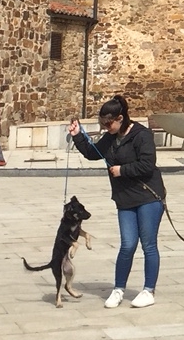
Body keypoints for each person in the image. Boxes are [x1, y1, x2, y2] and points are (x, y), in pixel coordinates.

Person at [69, 95, 164, 309]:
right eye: (102, 124)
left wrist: (123, 170)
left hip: (148, 196)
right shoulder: (111, 138)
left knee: (148, 245)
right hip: (125, 199)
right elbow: (94, 153)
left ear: (121, 118)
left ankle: (149, 290)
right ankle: (118, 288)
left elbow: (148, 164)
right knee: (127, 244)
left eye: (109, 123)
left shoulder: (142, 135)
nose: (105, 128)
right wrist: (78, 136)